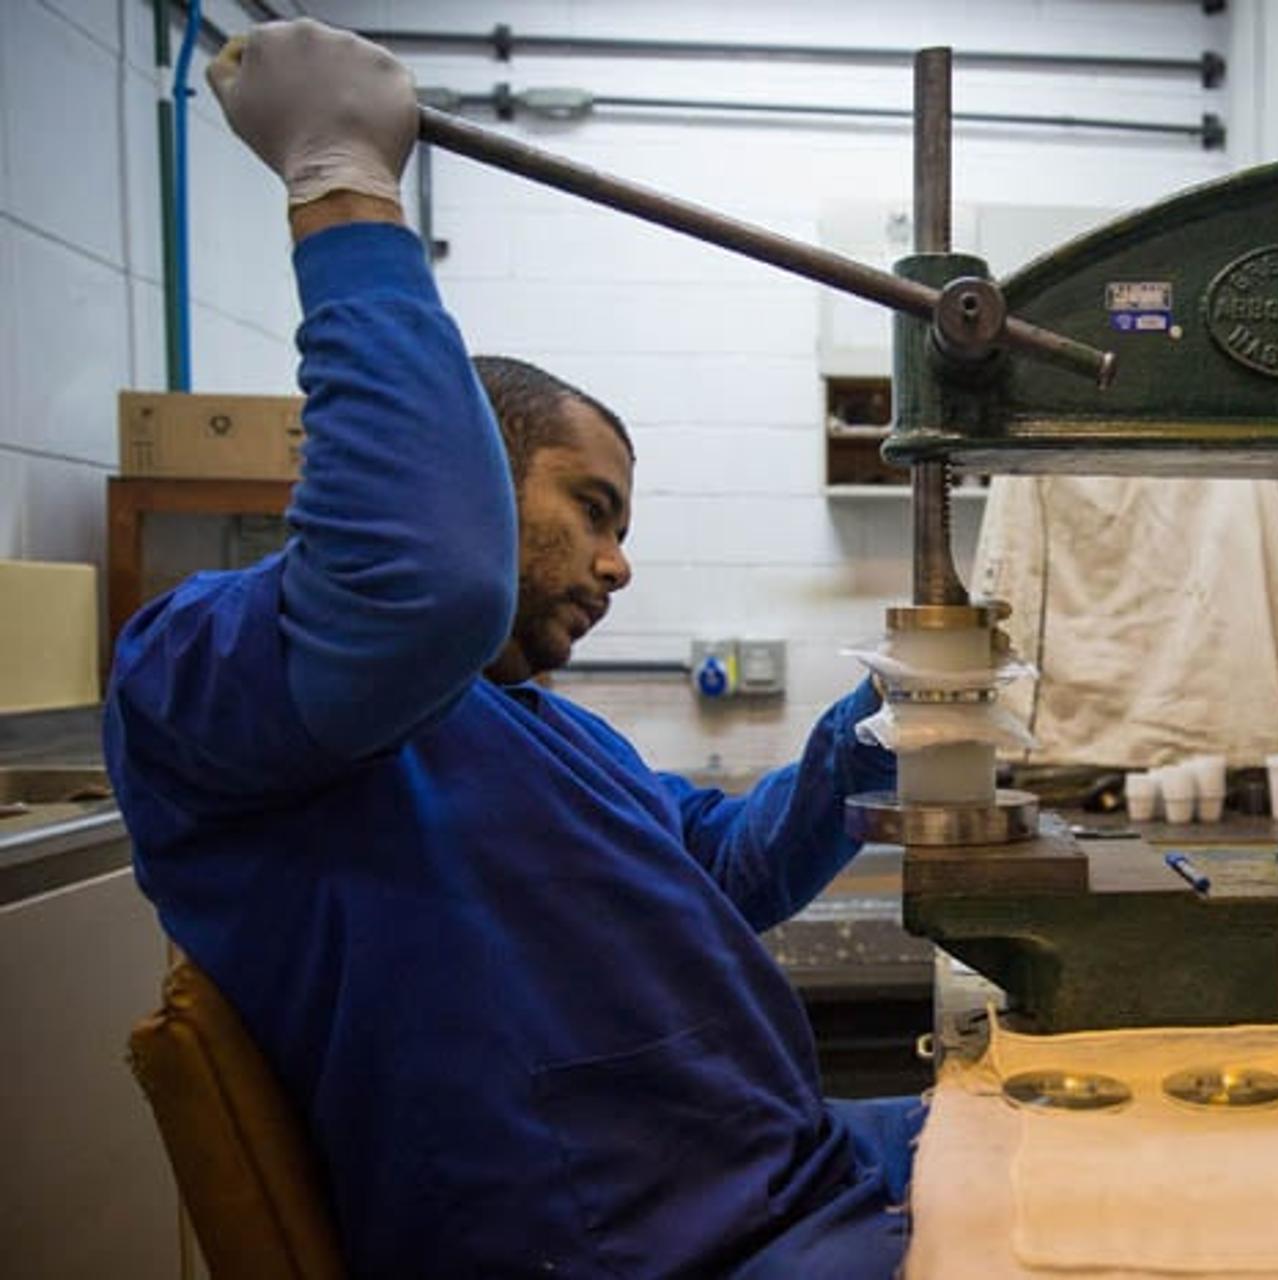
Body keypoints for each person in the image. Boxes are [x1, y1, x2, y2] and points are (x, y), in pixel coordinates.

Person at [104, 19, 916, 1278]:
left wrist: (890, 713)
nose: (617, 562)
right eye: (592, 509)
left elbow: (731, 865)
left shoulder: (549, 728)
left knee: (1101, 1138)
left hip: (783, 1178)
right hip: (664, 1252)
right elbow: (424, 584)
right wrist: (344, 185)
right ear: (472, 474)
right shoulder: (206, 679)